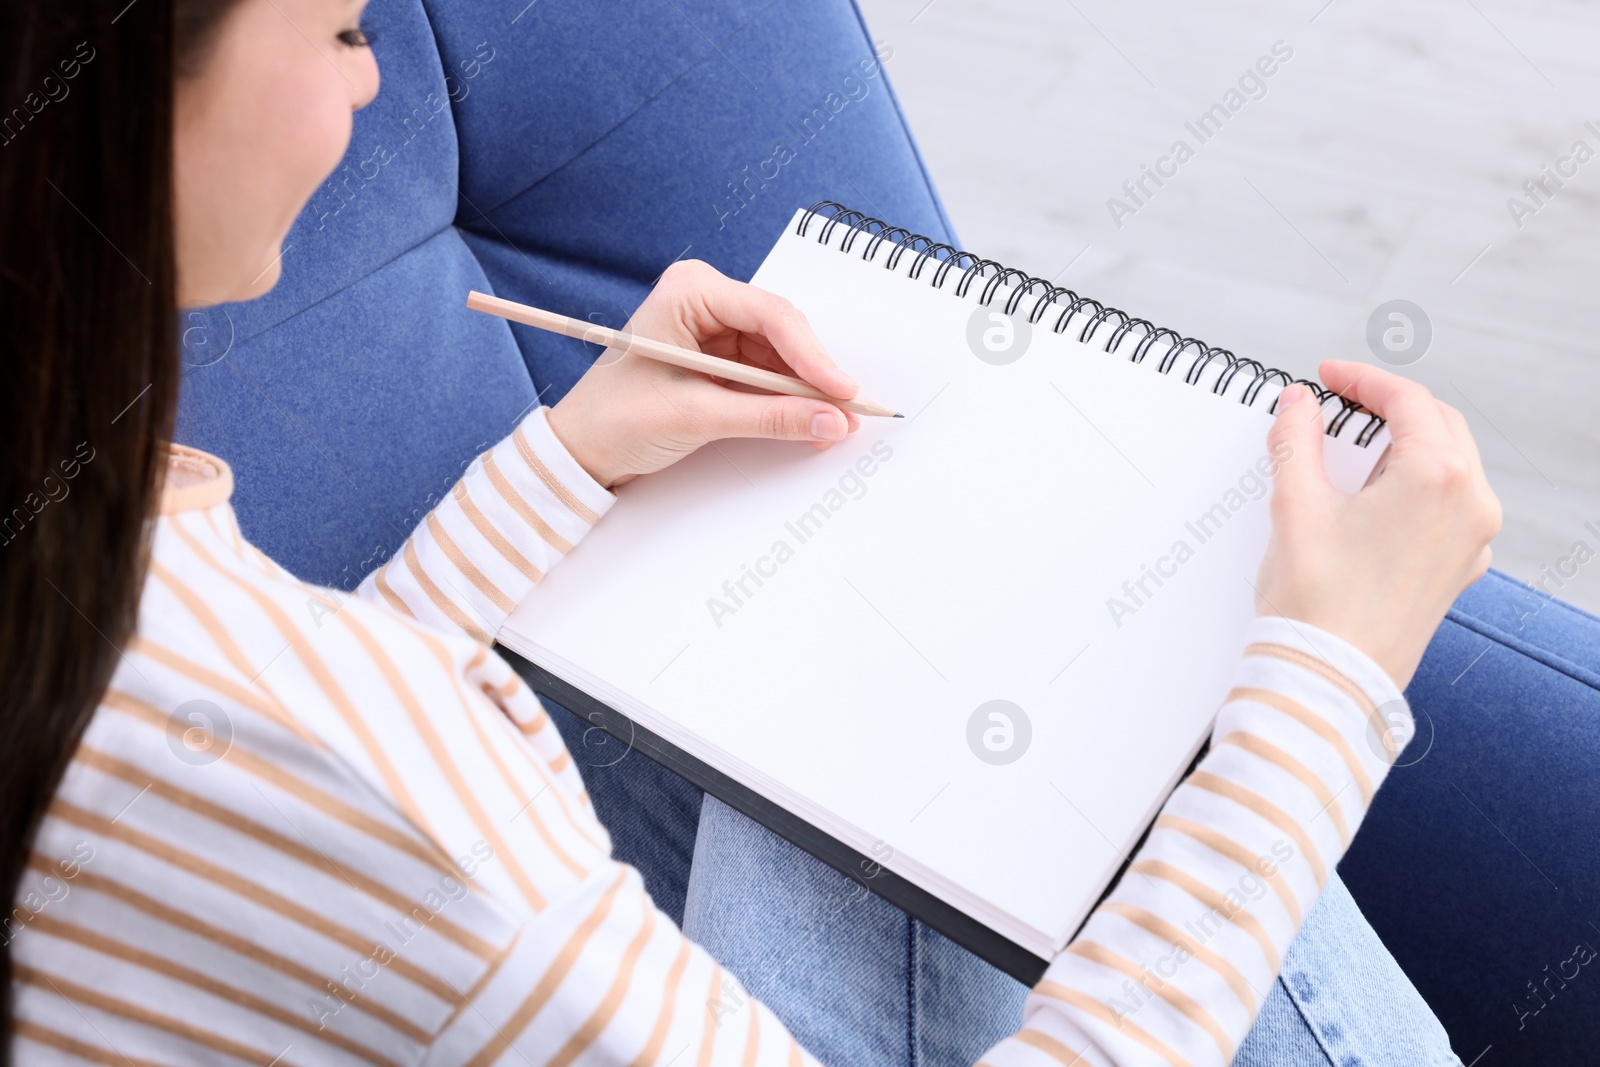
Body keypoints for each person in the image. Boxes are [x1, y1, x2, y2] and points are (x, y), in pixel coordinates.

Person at [0, 0, 1497, 1063]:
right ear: (127, 88)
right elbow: (340, 791)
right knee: (975, 709)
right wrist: (1318, 691)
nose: (375, 83)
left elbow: (263, 777)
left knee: (859, 678)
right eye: (339, 30)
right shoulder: (362, 779)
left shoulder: (107, 586)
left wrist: (572, 456)